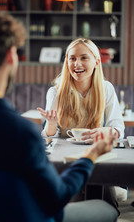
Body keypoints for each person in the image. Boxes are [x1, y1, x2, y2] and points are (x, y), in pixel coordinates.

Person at [0, 12, 118, 222]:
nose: (77, 63)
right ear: (11, 57)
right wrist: (91, 156)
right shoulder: (21, 133)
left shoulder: (105, 89)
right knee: (106, 208)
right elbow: (56, 198)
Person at [37, 38, 127, 210]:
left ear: (96, 61)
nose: (77, 63)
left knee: (106, 204)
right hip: (65, 161)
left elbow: (118, 129)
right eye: (72, 58)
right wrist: (51, 124)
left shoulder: (106, 88)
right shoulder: (55, 92)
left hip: (98, 158)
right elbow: (49, 137)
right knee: (73, 203)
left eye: (84, 57)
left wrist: (106, 131)